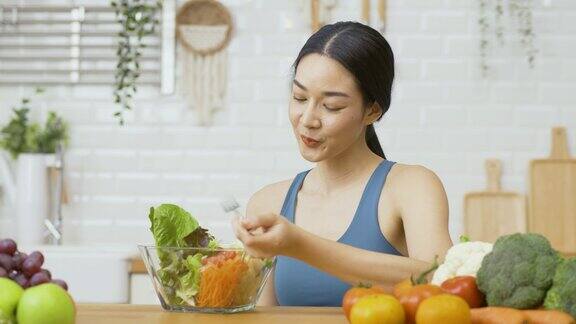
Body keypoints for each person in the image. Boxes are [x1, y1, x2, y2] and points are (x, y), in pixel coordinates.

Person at [232, 21, 453, 307]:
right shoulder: (268, 203)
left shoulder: (410, 186)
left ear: (372, 110)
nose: (308, 119)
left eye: (331, 106)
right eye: (299, 97)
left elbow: (443, 281)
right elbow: (265, 317)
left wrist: (299, 245)